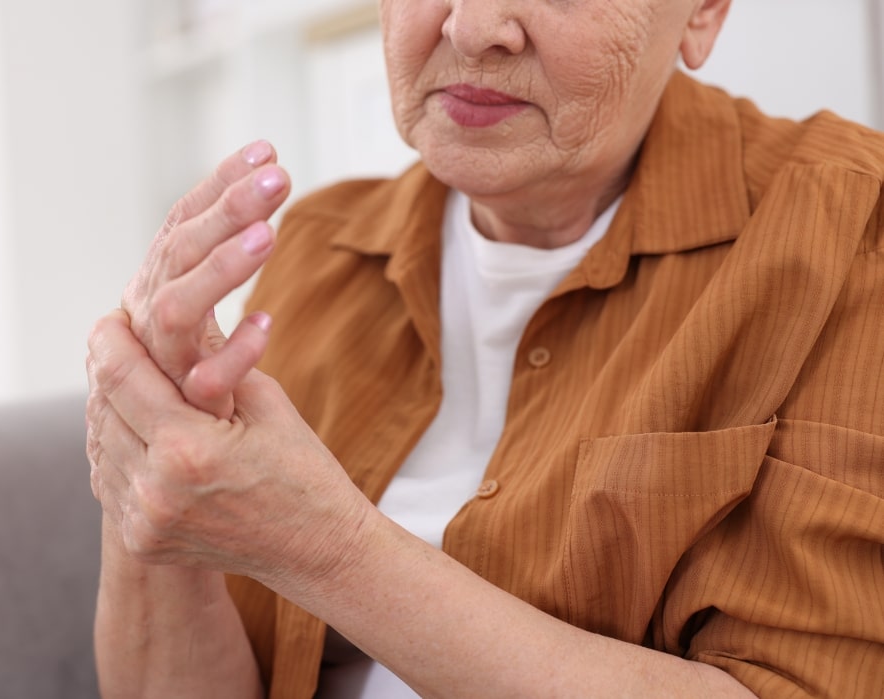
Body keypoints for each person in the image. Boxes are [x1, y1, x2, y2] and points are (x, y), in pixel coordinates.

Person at [85, 0, 884, 696]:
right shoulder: (318, 249)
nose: (471, 28)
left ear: (705, 9)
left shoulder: (847, 240)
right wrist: (148, 466)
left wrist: (322, 546)